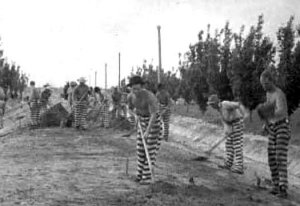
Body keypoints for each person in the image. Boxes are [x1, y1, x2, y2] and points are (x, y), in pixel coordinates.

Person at [257, 69, 290, 198]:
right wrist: (265, 123)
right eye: (262, 84)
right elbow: (269, 113)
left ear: (271, 80)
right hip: (273, 127)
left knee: (279, 157)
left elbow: (281, 112)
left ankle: (283, 187)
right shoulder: (268, 94)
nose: (264, 86)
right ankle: (276, 184)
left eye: (265, 83)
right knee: (271, 156)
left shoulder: (279, 94)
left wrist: (267, 111)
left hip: (282, 126)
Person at [127, 75, 162, 185]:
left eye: (138, 88)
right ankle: (139, 175)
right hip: (141, 121)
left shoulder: (149, 96)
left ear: (142, 87)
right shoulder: (130, 96)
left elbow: (154, 115)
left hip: (153, 123)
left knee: (149, 149)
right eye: (133, 89)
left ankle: (147, 177)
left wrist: (147, 131)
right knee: (140, 149)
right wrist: (135, 116)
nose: (136, 91)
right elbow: (129, 109)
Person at [207, 94, 246, 175]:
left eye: (212, 104)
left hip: (237, 123)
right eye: (210, 104)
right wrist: (227, 131)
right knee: (228, 144)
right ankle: (228, 164)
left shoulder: (225, 104)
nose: (211, 106)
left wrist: (244, 116)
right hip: (231, 125)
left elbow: (238, 105)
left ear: (216, 102)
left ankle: (239, 167)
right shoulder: (219, 110)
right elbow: (225, 121)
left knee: (237, 145)